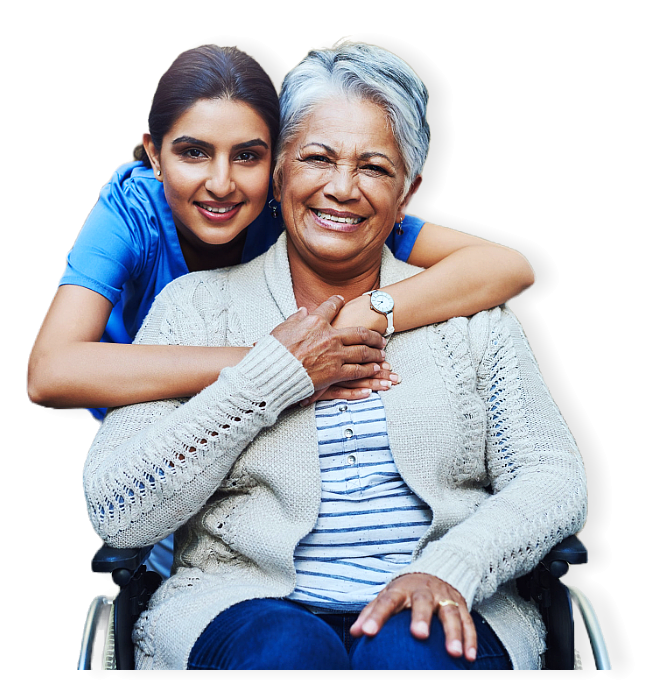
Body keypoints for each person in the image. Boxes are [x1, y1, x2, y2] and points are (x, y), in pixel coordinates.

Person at [83, 41, 586, 670]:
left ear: (408, 191)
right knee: (284, 650)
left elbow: (553, 477)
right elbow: (117, 511)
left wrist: (453, 568)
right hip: (239, 605)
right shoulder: (194, 308)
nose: (341, 189)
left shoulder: (473, 318)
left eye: (374, 167)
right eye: (317, 158)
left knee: (414, 648)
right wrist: (270, 378)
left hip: (450, 604)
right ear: (281, 172)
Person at [27, 43, 535, 424]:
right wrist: (279, 361)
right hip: (162, 436)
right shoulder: (132, 210)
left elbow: (507, 267)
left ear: (276, 164)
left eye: (247, 154)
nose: (221, 183)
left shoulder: (306, 208)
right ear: (155, 154)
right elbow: (50, 372)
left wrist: (363, 314)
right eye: (193, 152)